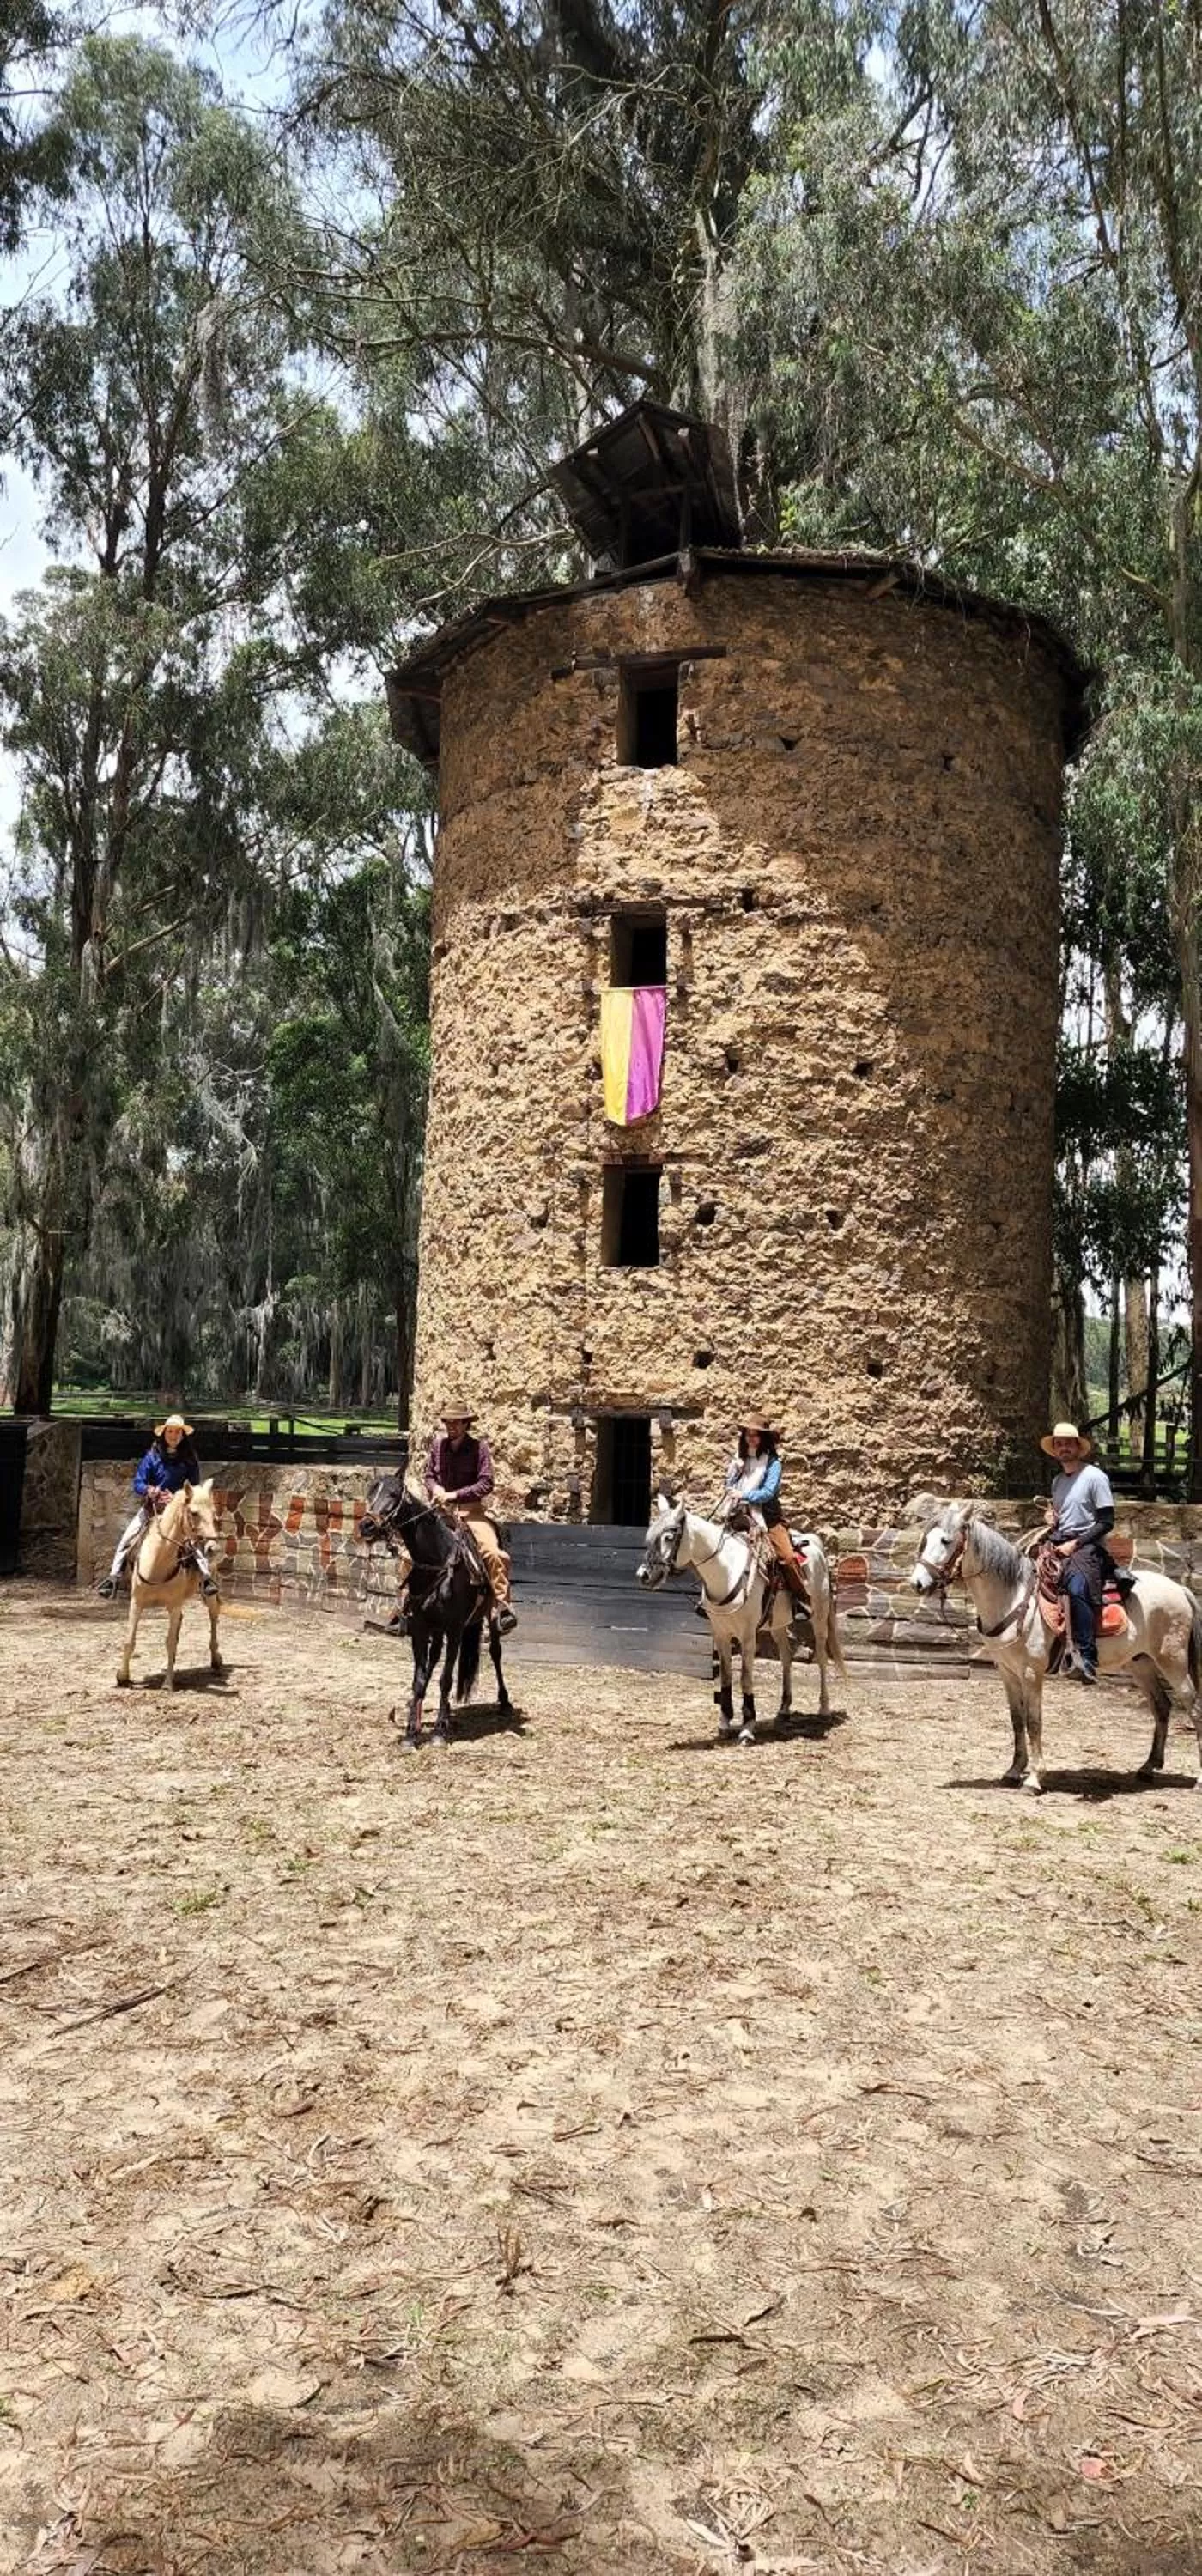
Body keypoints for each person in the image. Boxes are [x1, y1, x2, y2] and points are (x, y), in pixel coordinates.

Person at [97, 1413, 217, 1600]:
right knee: (127, 1538)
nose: (173, 1435)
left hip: (178, 1512)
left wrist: (176, 1497)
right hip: (152, 1508)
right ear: (164, 1433)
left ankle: (206, 1578)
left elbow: (194, 1487)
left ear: (182, 1435)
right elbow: (138, 1482)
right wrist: (149, 1490)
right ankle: (113, 1577)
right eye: (170, 1432)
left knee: (194, 1542)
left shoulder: (189, 1459)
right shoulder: (152, 1457)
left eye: (177, 1432)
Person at [423, 1405, 517, 1634]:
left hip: (471, 1513)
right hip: (441, 1513)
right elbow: (429, 1476)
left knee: (494, 1554)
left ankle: (502, 1607)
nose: (451, 1427)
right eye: (448, 1422)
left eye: (456, 1422)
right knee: (409, 1555)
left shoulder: (479, 1448)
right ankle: (403, 1607)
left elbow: (486, 1483)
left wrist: (455, 1495)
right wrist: (436, 1489)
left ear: (466, 1424)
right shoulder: (438, 1446)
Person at [1041, 1419, 1117, 1686]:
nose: (1064, 1448)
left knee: (1076, 1587)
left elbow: (1106, 1522)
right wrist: (1053, 1520)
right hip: (1059, 1541)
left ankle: (1086, 1658)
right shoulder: (1058, 1481)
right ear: (1055, 1450)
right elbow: (1063, 1517)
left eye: (1068, 1444)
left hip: (1088, 1547)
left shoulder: (1095, 1477)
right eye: (1059, 1444)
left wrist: (1076, 1544)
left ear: (1078, 1447)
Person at [722, 1414, 809, 1611]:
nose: (751, 1438)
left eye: (756, 1435)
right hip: (740, 1516)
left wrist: (744, 1494)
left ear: (764, 1438)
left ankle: (801, 1600)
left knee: (787, 1559)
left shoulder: (773, 1464)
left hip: (768, 1520)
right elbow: (729, 1488)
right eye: (748, 1434)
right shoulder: (740, 1461)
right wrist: (735, 1471)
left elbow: (769, 1492)